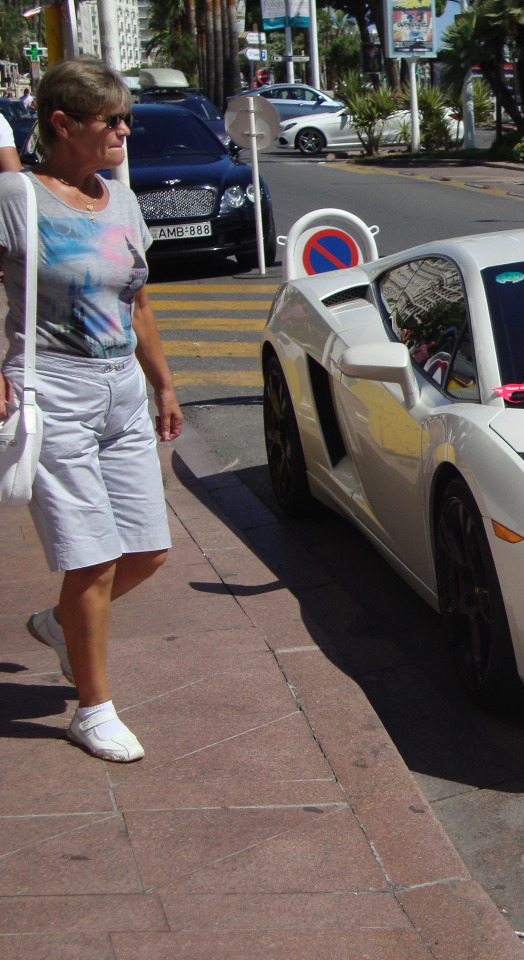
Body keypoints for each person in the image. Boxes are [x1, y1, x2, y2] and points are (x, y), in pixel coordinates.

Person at [0, 58, 182, 763]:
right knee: (93, 559)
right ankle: (93, 708)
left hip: (122, 391)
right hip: (55, 390)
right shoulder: (18, 196)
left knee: (149, 548)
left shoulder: (121, 199)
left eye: (125, 118)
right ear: (62, 125)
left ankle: (59, 624)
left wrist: (162, 384)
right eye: (111, 120)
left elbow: (136, 301)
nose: (123, 131)